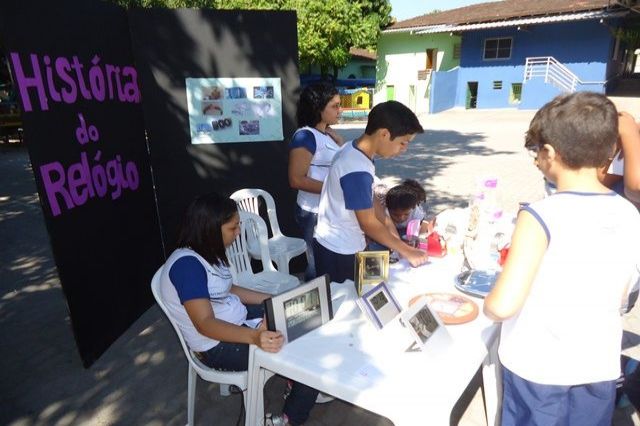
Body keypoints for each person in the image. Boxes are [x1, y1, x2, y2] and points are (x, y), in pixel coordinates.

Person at [483, 92, 640, 426]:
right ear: (611, 151)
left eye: (536, 151)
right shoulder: (630, 213)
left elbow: (503, 306)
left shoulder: (540, 215)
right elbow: (623, 296)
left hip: (538, 369)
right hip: (597, 363)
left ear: (549, 153)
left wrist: (488, 305)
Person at [159, 193, 318, 426]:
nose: (239, 233)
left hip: (238, 320)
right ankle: (289, 419)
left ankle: (296, 382)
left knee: (302, 319)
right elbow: (206, 324)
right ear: (211, 229)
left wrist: (273, 299)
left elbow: (229, 287)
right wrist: (256, 337)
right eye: (233, 228)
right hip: (215, 345)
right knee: (305, 358)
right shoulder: (187, 267)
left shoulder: (207, 251)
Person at [313, 101, 429, 283]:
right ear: (384, 134)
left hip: (341, 242)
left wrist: (396, 240)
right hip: (339, 250)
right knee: (344, 302)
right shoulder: (356, 169)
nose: (404, 149)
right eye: (403, 143)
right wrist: (406, 250)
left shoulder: (355, 149)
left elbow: (373, 203)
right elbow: (368, 223)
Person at [288, 82, 344, 280]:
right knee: (316, 266)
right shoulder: (305, 136)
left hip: (327, 211)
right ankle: (317, 306)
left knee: (327, 263)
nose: (340, 110)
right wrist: (335, 189)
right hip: (313, 212)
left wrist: (339, 143)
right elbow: (295, 180)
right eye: (335, 106)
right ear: (318, 108)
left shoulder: (326, 134)